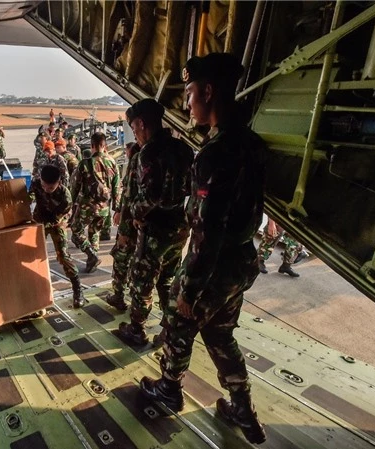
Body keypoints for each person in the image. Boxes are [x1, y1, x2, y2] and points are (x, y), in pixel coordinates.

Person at [138, 53, 267, 445]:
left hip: (214, 265)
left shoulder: (215, 154)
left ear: (209, 91)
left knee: (179, 321)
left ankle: (169, 388)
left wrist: (190, 291)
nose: (188, 102)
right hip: (241, 261)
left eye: (191, 92)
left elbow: (208, 231)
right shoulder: (252, 143)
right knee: (220, 335)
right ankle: (243, 410)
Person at [115, 99, 194, 345]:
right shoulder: (183, 149)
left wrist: (135, 216)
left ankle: (137, 329)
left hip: (155, 230)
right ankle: (170, 325)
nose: (135, 133)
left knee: (142, 281)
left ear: (140, 123)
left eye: (134, 127)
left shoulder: (148, 153)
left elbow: (148, 196)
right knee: (169, 278)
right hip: (179, 226)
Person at [29, 165, 86, 308]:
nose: (45, 189)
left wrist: (43, 225)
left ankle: (77, 289)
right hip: (38, 219)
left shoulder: (65, 197)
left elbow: (55, 219)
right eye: (43, 186)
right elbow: (29, 196)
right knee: (33, 254)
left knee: (63, 256)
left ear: (58, 182)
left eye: (50, 188)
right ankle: (34, 290)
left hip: (55, 224)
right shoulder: (36, 183)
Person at [70, 132, 121, 273]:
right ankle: (92, 259)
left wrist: (71, 204)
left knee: (76, 231)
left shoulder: (85, 164)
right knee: (95, 232)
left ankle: (91, 255)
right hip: (104, 207)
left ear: (92, 146)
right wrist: (117, 209)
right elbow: (117, 187)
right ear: (104, 146)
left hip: (87, 206)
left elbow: (75, 186)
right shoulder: (112, 162)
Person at [106, 142, 140, 309]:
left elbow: (128, 198)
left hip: (131, 225)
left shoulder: (135, 167)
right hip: (143, 226)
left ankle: (119, 296)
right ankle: (135, 297)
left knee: (121, 259)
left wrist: (124, 231)